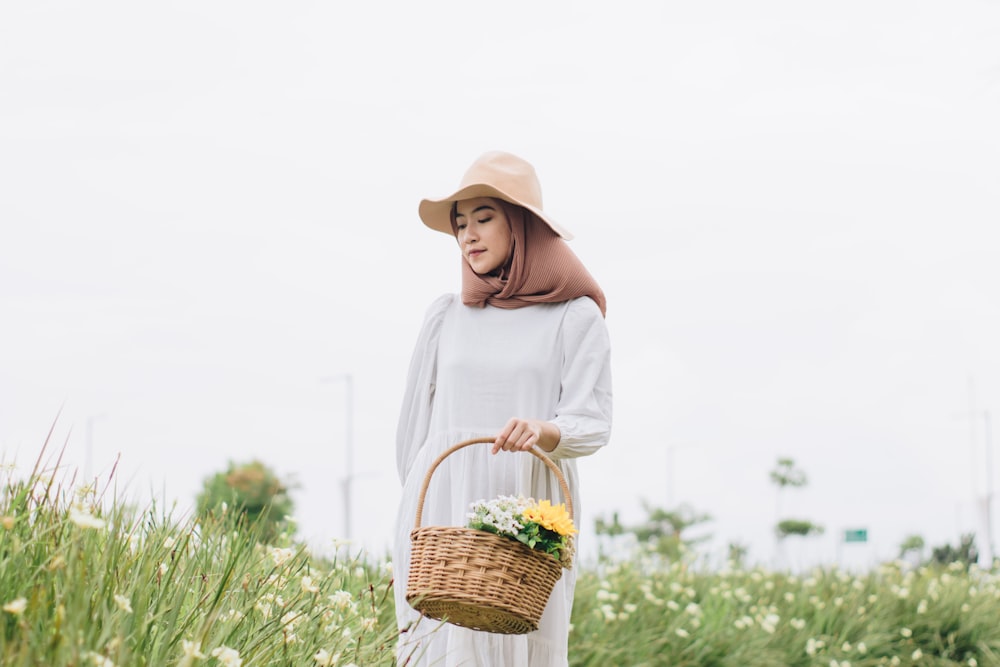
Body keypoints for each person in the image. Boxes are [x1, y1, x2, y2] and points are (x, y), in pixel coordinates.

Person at [392, 151, 612, 666]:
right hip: (440, 516)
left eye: (484, 218)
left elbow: (592, 422)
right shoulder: (447, 317)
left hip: (524, 513)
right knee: (434, 651)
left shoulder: (574, 317)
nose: (468, 235)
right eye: (460, 224)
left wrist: (544, 430)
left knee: (522, 650)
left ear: (523, 225)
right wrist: (414, 517)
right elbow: (413, 434)